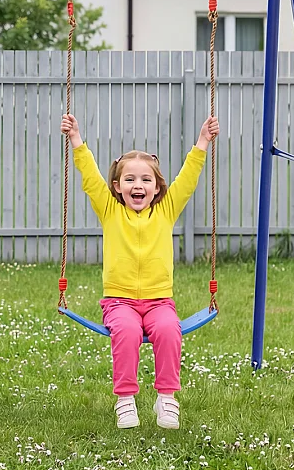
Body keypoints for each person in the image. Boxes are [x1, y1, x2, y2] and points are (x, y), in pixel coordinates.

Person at [59, 112, 220, 430]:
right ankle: (125, 400)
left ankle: (167, 397)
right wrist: (76, 139)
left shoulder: (166, 210)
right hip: (119, 302)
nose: (138, 185)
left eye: (146, 179)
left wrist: (202, 142)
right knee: (128, 333)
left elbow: (187, 179)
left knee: (168, 331)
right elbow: (91, 176)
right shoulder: (109, 211)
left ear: (157, 187)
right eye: (130, 179)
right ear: (117, 187)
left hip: (160, 301)